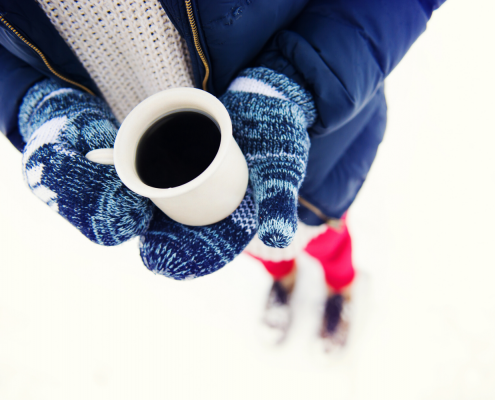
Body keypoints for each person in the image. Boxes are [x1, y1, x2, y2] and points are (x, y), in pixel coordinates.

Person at [0, 0, 445, 350]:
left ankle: (340, 286)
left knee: (323, 235)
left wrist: (296, 80)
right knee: (255, 245)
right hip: (168, 179)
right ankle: (283, 277)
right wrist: (35, 103)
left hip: (315, 146)